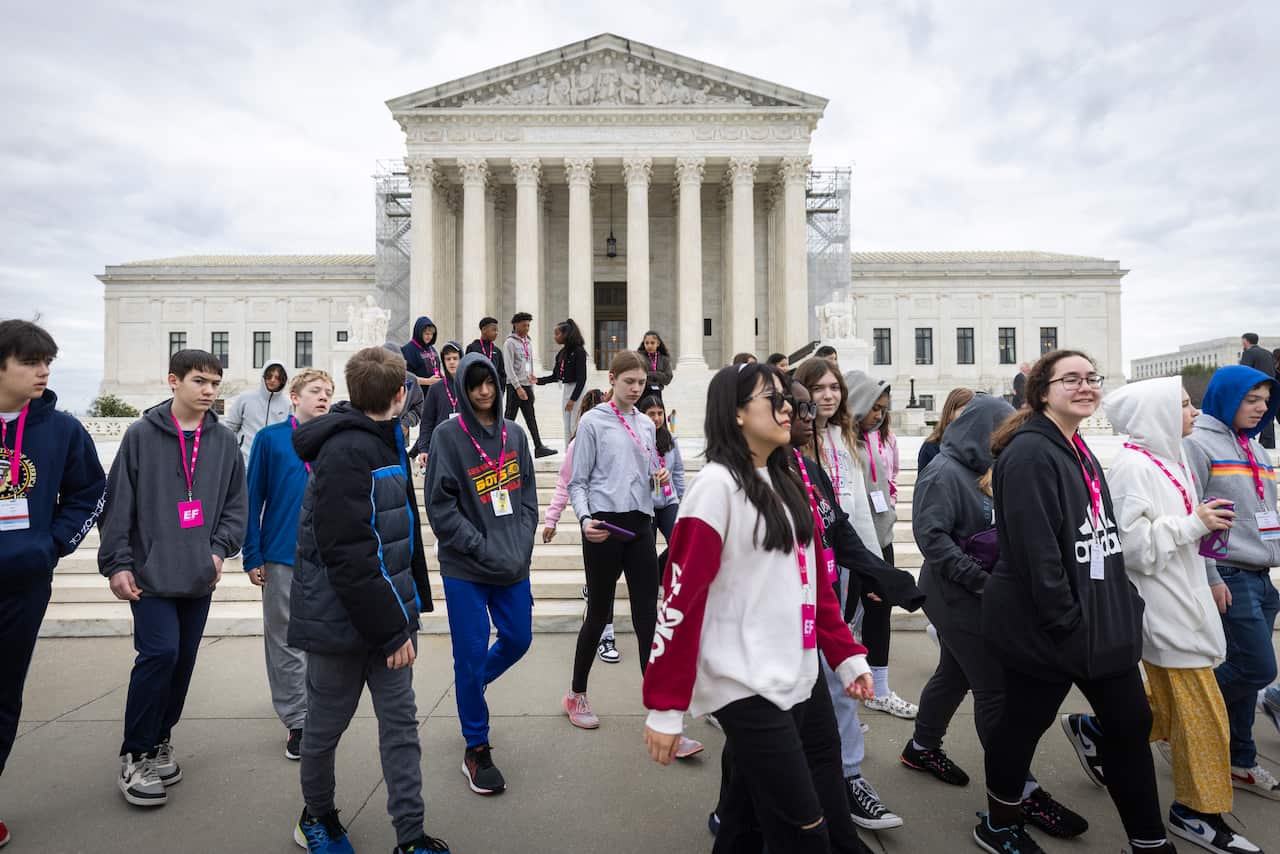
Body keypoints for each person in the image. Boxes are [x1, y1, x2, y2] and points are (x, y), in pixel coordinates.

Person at [642, 361, 876, 854]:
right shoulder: (714, 488)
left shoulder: (786, 481)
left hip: (799, 674)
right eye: (774, 398)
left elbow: (815, 587)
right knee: (805, 832)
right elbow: (679, 601)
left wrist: (846, 653)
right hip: (746, 686)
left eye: (786, 398)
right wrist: (666, 708)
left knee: (746, 822)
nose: (788, 406)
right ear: (738, 414)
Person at [978, 350, 1168, 854]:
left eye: (1091, 378)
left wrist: (1123, 603)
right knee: (1022, 726)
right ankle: (998, 825)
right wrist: (1067, 621)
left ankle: (1150, 843)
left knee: (1130, 723)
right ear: (1042, 392)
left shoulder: (1077, 446)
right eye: (1071, 380)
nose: (1085, 387)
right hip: (1047, 627)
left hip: (1100, 617)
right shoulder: (1027, 454)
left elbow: (1102, 537)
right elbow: (1036, 552)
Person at [1087, 377, 1263, 853]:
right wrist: (1193, 523)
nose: (1192, 411)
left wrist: (1202, 543)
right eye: (1184, 404)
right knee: (1204, 717)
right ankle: (1196, 812)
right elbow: (1130, 546)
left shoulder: (1174, 457)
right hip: (1163, 607)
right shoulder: (1131, 467)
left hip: (1184, 599)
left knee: (1170, 707)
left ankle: (1098, 732)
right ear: (1155, 414)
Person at [906, 393, 1087, 840]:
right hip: (955, 596)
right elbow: (931, 537)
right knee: (995, 690)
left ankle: (921, 746)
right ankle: (1016, 790)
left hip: (982, 592)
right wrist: (982, 582)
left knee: (954, 674)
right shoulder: (943, 471)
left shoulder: (990, 468)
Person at [288, 346, 447, 854]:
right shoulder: (346, 451)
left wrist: (408, 608)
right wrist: (391, 628)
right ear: (402, 394)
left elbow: (395, 540)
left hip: (389, 619)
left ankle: (411, 836)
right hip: (344, 624)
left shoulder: (384, 441)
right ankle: (317, 817)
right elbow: (348, 553)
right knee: (324, 729)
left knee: (401, 729)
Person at [98, 349, 248, 808]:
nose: (209, 391)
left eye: (216, 384)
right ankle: (136, 752)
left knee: (181, 660)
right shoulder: (142, 435)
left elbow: (234, 505)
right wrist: (117, 563)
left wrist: (220, 550)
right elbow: (117, 504)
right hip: (149, 573)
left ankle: (160, 739)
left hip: (200, 574)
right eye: (200, 381)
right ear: (173, 381)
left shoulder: (223, 441)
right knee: (159, 654)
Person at [0, 320, 106, 847]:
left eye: (48, 362)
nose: (42, 371)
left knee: (3, 695)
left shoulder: (62, 430)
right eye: (29, 362)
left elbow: (90, 493)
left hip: (23, 583)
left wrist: (53, 544)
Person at [566, 351, 701, 755]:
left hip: (641, 526)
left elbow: (652, 483)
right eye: (629, 382)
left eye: (641, 383)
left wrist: (658, 478)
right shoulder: (592, 422)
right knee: (599, 615)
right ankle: (576, 694)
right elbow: (578, 481)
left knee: (649, 621)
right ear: (612, 379)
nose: (636, 389)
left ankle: (663, 718)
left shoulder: (646, 424)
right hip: (604, 527)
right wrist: (584, 518)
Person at [793, 358, 904, 830]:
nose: (827, 396)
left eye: (833, 387)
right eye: (816, 388)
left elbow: (852, 514)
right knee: (796, 690)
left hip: (839, 574)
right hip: (798, 580)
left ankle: (849, 775)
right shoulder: (789, 446)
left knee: (840, 679)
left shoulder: (844, 440)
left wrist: (874, 573)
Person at [425, 353, 538, 796]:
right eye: (474, 385)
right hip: (466, 568)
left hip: (511, 562)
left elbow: (527, 493)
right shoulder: (447, 436)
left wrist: (522, 541)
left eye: (488, 383)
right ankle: (476, 746)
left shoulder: (516, 434)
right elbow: (440, 507)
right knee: (469, 655)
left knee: (519, 639)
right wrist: (479, 546)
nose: (484, 392)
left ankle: (472, 686)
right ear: (463, 390)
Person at [1183, 363, 1280, 800]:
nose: (1261, 408)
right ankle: (1170, 716)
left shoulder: (1256, 449)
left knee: (1248, 675)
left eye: (1265, 400)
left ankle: (1240, 759)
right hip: (1227, 573)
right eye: (1251, 400)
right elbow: (1193, 517)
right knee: (1257, 667)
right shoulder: (1198, 445)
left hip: (1262, 576)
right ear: (1226, 397)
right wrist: (1207, 577)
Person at [242, 368, 333, 761]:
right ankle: (298, 720)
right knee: (284, 638)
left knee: (323, 638)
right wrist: (251, 553)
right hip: (281, 553)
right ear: (293, 397)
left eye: (328, 392)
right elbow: (251, 498)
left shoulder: (338, 440)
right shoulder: (271, 439)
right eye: (315, 391)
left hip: (330, 556)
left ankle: (319, 708)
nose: (324, 397)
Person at [844, 371, 915, 720]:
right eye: (874, 408)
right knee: (842, 618)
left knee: (880, 611)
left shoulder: (879, 437)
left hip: (880, 535)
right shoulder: (839, 442)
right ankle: (838, 703)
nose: (879, 416)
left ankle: (879, 690)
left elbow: (886, 478)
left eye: (884, 410)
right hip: (851, 543)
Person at [542, 391, 620, 663]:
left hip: (617, 517)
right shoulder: (578, 445)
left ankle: (593, 591)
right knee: (604, 580)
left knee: (605, 578)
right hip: (592, 518)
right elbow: (565, 483)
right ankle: (606, 635)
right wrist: (551, 518)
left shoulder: (616, 439)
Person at [639, 395, 684, 572]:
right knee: (646, 548)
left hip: (668, 500)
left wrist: (684, 498)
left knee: (679, 541)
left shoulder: (671, 439)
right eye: (651, 414)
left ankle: (659, 570)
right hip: (646, 503)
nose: (657, 418)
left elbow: (678, 471)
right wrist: (651, 479)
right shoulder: (637, 440)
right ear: (642, 415)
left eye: (660, 413)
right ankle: (650, 579)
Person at [503, 312, 555, 458]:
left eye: (528, 325)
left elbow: (527, 363)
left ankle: (539, 447)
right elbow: (509, 367)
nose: (527, 328)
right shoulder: (510, 343)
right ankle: (500, 448)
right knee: (509, 418)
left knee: (531, 417)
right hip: (515, 387)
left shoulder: (527, 342)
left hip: (526, 385)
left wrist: (530, 380)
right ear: (516, 325)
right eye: (524, 325)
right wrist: (518, 387)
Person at [223, 360, 291, 463]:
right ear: (263, 376)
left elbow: (288, 434)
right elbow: (230, 427)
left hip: (274, 463)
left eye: (277, 378)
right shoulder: (245, 398)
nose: (272, 380)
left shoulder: (288, 404)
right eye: (269, 376)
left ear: (283, 380)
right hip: (245, 460)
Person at [412, 341, 463, 465]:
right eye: (448, 359)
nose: (451, 362)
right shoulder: (436, 388)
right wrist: (424, 449)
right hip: (441, 445)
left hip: (465, 445)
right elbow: (427, 421)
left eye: (455, 358)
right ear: (443, 362)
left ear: (462, 359)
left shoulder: (470, 387)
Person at [537, 319, 588, 442]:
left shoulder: (579, 351)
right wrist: (538, 380)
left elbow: (582, 378)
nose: (555, 337)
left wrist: (573, 399)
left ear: (566, 334)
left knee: (575, 425)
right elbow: (556, 376)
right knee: (567, 426)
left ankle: (576, 454)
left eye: (557, 333)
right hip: (567, 389)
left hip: (578, 390)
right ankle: (568, 455)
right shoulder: (561, 353)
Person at [918, 387, 974, 472]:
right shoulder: (931, 447)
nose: (969, 415)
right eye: (964, 410)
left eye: (973, 411)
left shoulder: (978, 446)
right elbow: (924, 482)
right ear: (950, 412)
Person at [1239, 333, 1276, 449]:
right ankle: (1268, 441)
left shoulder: (1248, 353)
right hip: (1268, 387)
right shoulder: (1268, 353)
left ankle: (1249, 439)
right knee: (1267, 414)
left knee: (1249, 412)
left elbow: (1244, 371)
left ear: (1245, 341)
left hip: (1253, 388)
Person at [402, 316, 443, 389]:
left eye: (431, 334)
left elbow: (436, 367)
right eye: (427, 334)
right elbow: (406, 377)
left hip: (433, 392)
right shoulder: (408, 350)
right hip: (418, 395)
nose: (430, 337)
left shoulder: (431, 349)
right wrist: (427, 381)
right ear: (419, 333)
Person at [467, 316, 507, 388]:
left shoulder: (497, 351)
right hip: (478, 388)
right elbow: (467, 370)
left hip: (494, 390)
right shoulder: (472, 348)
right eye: (494, 330)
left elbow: (502, 373)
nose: (496, 333)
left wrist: (501, 390)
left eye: (497, 330)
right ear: (484, 330)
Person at [638, 330, 674, 399]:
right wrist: (659, 374)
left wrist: (649, 374)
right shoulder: (639, 357)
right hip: (642, 393)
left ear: (658, 343)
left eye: (652, 343)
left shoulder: (664, 359)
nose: (649, 345)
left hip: (657, 393)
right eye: (647, 343)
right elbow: (639, 375)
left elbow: (668, 378)